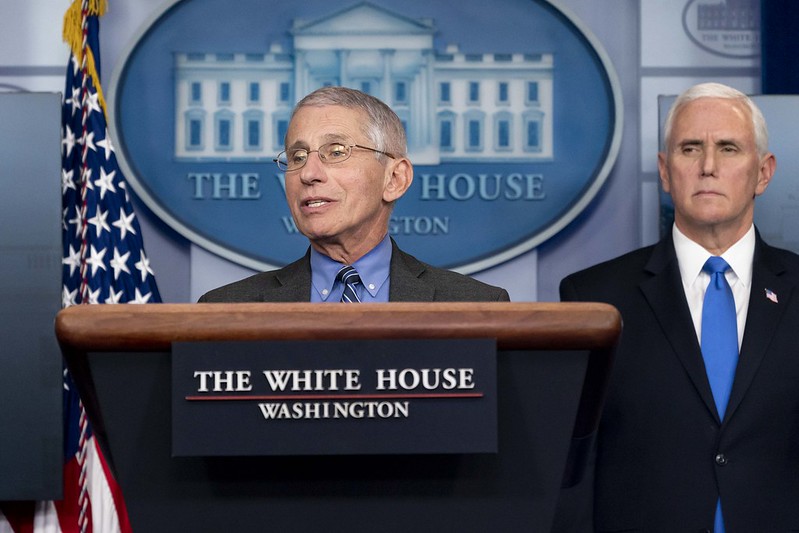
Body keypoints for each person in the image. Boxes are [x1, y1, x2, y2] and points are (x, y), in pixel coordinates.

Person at [560, 82, 799, 531]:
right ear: (666, 172)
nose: (708, 166)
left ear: (763, 173)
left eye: (728, 148)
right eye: (691, 149)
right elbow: (574, 469)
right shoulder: (594, 297)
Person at [200, 86, 509, 303]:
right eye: (297, 157)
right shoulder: (224, 310)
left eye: (336, 152)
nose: (308, 173)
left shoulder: (476, 306)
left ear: (395, 179)